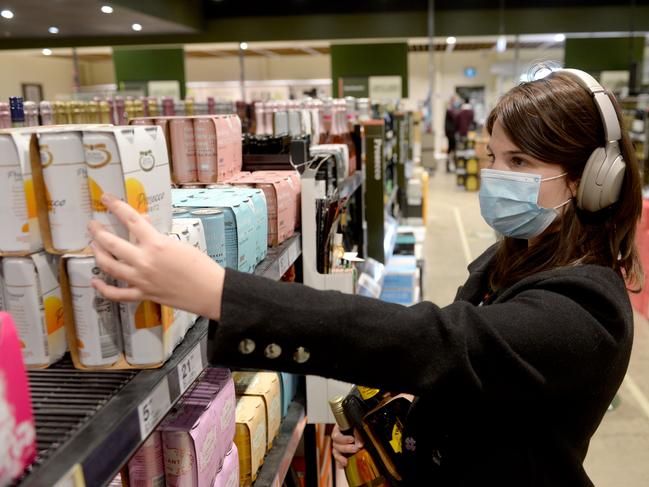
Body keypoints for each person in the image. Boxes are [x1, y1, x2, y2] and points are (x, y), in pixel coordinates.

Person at [88, 68, 641, 486]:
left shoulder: (584, 310)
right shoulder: (518, 257)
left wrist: (217, 291)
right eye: (494, 157)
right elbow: (480, 384)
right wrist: (400, 428)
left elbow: (436, 343)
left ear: (589, 179)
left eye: (519, 162)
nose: (496, 178)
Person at [444, 96, 460, 172]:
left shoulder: (451, 109)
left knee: (452, 149)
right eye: (455, 101)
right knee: (452, 149)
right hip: (450, 133)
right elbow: (455, 116)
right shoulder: (450, 110)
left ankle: (452, 166)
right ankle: (450, 166)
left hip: (451, 132)